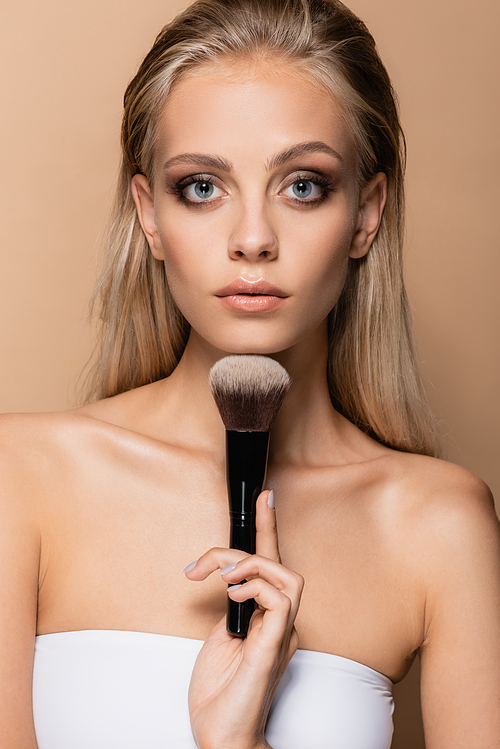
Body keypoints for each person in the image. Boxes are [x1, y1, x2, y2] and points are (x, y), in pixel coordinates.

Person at [1, 0, 499, 747]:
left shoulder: (436, 525)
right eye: (202, 186)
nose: (254, 239)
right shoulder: (22, 476)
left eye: (303, 185)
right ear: (149, 215)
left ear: (366, 215)